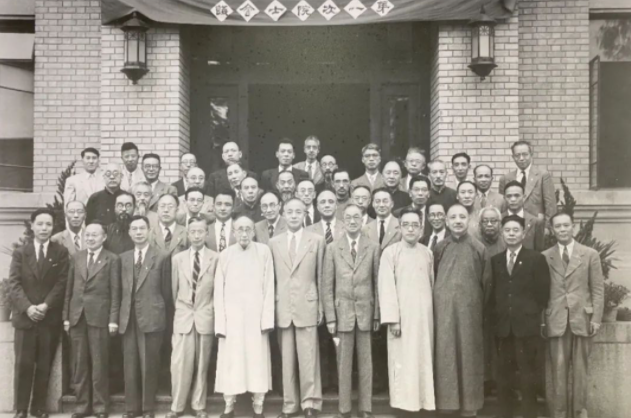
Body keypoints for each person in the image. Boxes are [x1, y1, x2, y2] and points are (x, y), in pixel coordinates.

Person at [7, 209, 69, 418]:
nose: (44, 228)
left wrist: (45, 305)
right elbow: (14, 283)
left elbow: (61, 283)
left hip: (48, 317)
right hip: (25, 318)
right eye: (40, 224)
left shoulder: (60, 252)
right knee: (23, 365)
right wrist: (28, 307)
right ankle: (21, 409)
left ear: (53, 227)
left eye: (48, 224)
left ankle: (38, 407)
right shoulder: (20, 253)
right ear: (32, 226)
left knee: (44, 364)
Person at [543, 212, 604, 418]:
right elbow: (541, 292)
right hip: (556, 320)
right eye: (557, 226)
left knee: (580, 372)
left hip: (582, 320)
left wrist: (596, 319)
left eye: (566, 225)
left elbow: (597, 289)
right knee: (558, 372)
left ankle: (580, 413)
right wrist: (543, 320)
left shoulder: (590, 254)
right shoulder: (545, 256)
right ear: (552, 230)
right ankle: (559, 414)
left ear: (574, 227)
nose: (562, 229)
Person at [433, 204, 491, 417]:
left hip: (470, 313)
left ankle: (470, 406)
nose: (458, 221)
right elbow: (433, 275)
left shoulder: (478, 248)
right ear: (446, 222)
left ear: (469, 220)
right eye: (453, 217)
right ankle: (447, 404)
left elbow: (487, 283)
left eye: (462, 217)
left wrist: (477, 307)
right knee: (446, 353)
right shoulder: (440, 247)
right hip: (444, 313)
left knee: (469, 355)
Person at [269, 199, 325, 418]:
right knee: (287, 359)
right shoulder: (274, 242)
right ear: (283, 214)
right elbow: (272, 279)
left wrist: (321, 305)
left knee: (309, 356)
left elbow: (321, 275)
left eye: (298, 212)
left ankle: (310, 402)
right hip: (283, 305)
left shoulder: (316, 240)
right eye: (290, 212)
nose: (293, 216)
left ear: (305, 215)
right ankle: (290, 404)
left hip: (307, 304)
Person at [323, 204, 380, 418]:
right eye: (348, 217)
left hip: (366, 313)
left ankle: (365, 408)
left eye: (357, 217)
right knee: (343, 364)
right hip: (342, 314)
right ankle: (344, 408)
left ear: (362, 220)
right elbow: (327, 286)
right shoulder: (333, 248)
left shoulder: (373, 247)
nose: (353, 221)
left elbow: (377, 283)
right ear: (343, 220)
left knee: (366, 363)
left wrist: (377, 314)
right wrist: (331, 317)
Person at [214, 215, 275, 418]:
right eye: (240, 229)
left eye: (248, 229)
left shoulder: (263, 252)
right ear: (233, 232)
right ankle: (228, 406)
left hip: (256, 319)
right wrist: (221, 324)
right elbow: (218, 291)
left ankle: (258, 406)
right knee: (231, 361)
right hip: (231, 319)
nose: (244, 233)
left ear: (254, 232)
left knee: (257, 361)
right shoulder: (225, 255)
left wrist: (266, 320)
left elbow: (269, 287)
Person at [490, 215, 550, 418]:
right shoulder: (496, 260)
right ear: (502, 233)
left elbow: (543, 294)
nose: (511, 234)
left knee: (527, 376)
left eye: (516, 230)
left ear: (523, 234)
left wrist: (529, 314)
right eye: (507, 230)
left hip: (526, 327)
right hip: (503, 328)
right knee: (503, 377)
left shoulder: (536, 259)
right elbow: (494, 293)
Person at [378, 208, 436, 415]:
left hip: (424, 319)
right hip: (402, 320)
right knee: (403, 361)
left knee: (423, 359)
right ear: (399, 227)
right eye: (406, 225)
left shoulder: (427, 253)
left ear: (421, 228)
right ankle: (404, 406)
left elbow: (432, 284)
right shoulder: (390, 253)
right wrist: (393, 319)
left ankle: (423, 403)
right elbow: (386, 287)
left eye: (415, 225)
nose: (410, 229)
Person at [63, 222, 121, 418]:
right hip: (77, 317)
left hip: (100, 318)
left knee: (99, 363)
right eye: (87, 235)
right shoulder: (77, 257)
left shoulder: (112, 259)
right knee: (79, 364)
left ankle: (100, 407)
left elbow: (115, 292)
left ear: (104, 237)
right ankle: (82, 406)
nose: (90, 238)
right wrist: (66, 317)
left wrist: (113, 319)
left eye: (94, 235)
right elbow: (69, 290)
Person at [119, 215, 172, 418]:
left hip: (152, 316)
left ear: (150, 231)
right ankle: (131, 408)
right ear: (129, 233)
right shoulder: (123, 258)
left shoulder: (162, 256)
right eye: (134, 229)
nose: (138, 232)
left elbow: (166, 292)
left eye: (142, 228)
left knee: (149, 364)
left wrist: (161, 315)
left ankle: (148, 408)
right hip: (128, 318)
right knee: (129, 365)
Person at [168, 217, 219, 418]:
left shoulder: (216, 258)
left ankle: (198, 405)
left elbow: (217, 291)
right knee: (179, 363)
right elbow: (174, 290)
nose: (196, 236)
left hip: (205, 315)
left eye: (200, 232)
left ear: (207, 234)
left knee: (202, 364)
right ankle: (177, 406)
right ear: (187, 234)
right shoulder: (177, 259)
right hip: (184, 316)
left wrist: (209, 310)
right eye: (193, 232)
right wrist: (182, 309)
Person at [499, 140, 557, 223]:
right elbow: (503, 206)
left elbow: (550, 205)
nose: (521, 158)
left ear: (531, 154)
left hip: (536, 225)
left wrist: (547, 227)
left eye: (525, 154)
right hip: (513, 225)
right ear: (513, 157)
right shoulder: (505, 178)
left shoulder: (542, 176)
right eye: (517, 155)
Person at [503, 180, 545, 252]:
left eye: (517, 195)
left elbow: (539, 250)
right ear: (504, 198)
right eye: (509, 196)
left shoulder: (535, 222)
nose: (513, 199)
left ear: (524, 197)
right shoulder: (498, 220)